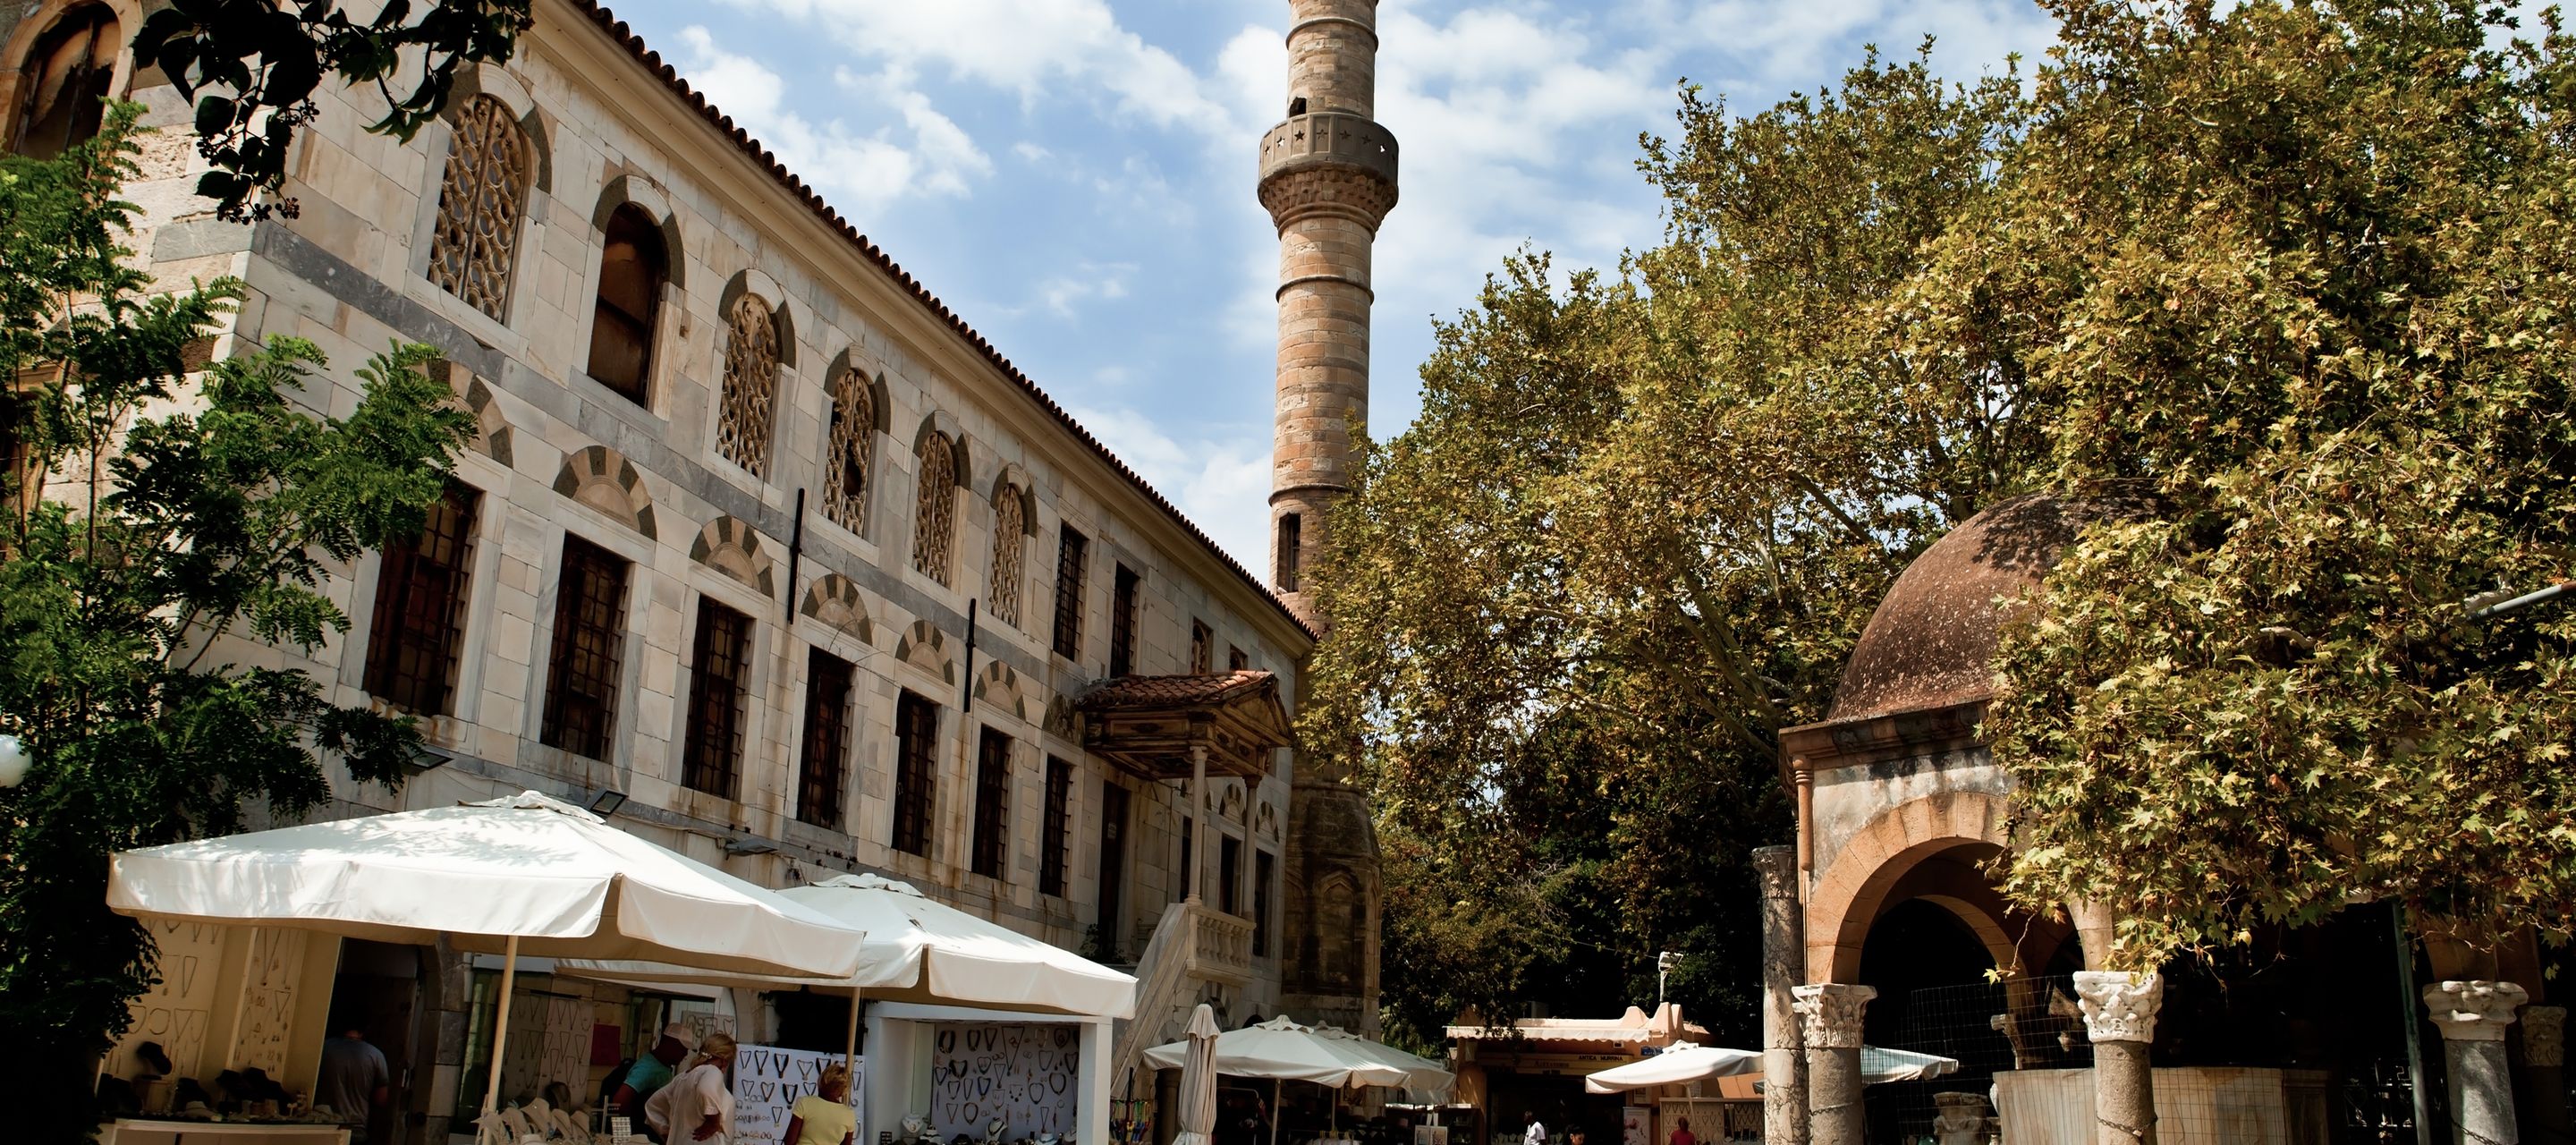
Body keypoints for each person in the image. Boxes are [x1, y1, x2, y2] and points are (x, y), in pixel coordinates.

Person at [645, 1031, 738, 1145]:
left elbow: (652, 1105)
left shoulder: (681, 1078)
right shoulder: (712, 1071)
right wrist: (713, 1121)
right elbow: (706, 1090)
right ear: (725, 1060)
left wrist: (669, 1133)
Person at [615, 1024, 699, 1138]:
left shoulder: (663, 1067)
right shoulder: (647, 1068)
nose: (685, 1054)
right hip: (641, 1134)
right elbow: (620, 1100)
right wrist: (623, 1137)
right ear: (669, 1044)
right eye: (683, 1049)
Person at [318, 1027, 389, 1138]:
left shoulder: (324, 1048)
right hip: (356, 1129)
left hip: (324, 1126)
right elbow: (381, 1100)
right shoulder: (376, 1055)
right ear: (362, 1033)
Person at [783, 1063, 858, 1145]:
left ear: (822, 1081)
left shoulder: (805, 1102)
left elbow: (789, 1141)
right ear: (843, 1091)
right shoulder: (849, 1114)